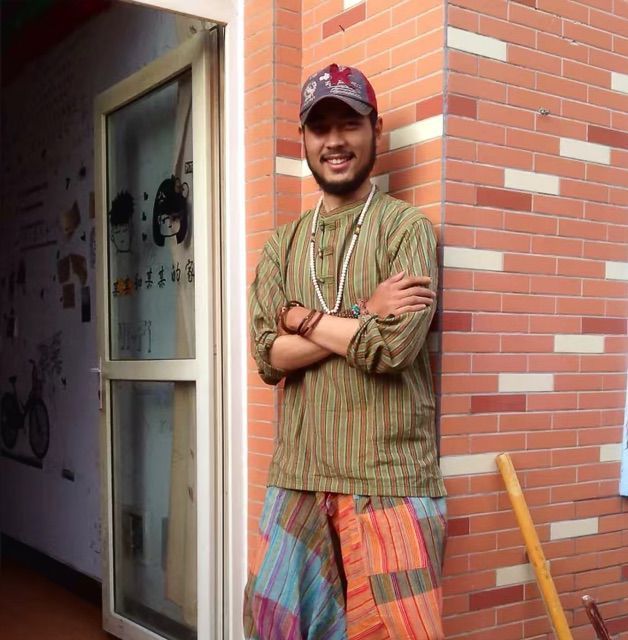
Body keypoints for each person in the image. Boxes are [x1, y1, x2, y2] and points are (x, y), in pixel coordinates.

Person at [245, 63, 447, 640]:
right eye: (320, 127)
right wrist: (363, 313)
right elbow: (267, 357)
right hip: (298, 475)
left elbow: (392, 349)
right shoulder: (282, 245)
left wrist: (302, 320)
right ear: (304, 139)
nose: (334, 141)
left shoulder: (406, 228)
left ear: (375, 129)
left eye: (349, 124)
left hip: (391, 482)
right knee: (277, 629)